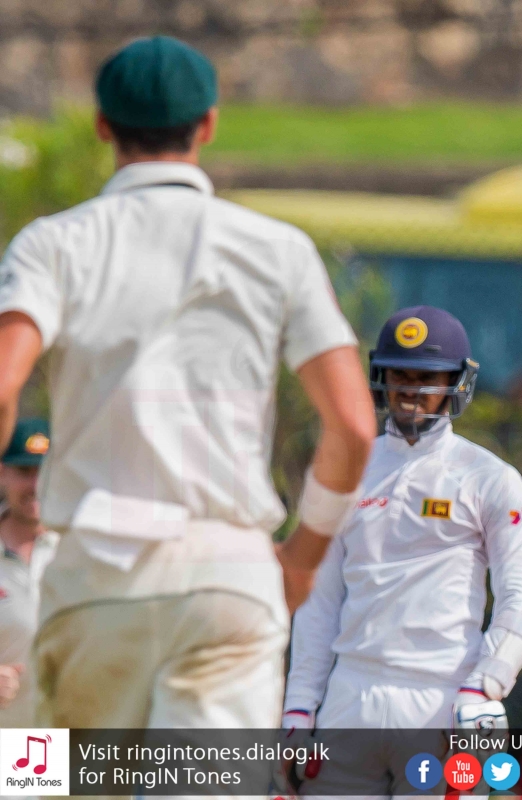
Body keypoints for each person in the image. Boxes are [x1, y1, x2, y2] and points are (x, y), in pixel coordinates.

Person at [0, 36, 377, 730]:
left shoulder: (54, 243)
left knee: (55, 778)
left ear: (103, 125)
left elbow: (3, 386)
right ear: (208, 124)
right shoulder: (279, 250)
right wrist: (302, 557)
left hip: (95, 576)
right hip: (228, 575)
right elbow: (353, 426)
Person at [282, 307, 522, 796]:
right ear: (381, 378)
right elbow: (319, 602)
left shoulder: (489, 477)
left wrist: (484, 686)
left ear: (456, 382)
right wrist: (299, 708)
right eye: (400, 375)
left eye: (427, 377)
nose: (410, 390)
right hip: (351, 694)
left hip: (443, 697)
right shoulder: (347, 469)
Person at [0, 419, 58, 726]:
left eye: (44, 471)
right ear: (2, 473)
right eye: (24, 471)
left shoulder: (80, 550)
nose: (35, 485)